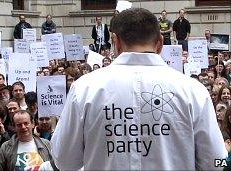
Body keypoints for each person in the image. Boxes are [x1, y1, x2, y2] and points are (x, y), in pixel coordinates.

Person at [51, 8, 227, 170]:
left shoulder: (84, 89)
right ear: (160, 42)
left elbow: (63, 160)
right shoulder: (193, 91)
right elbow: (217, 162)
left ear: (116, 42)